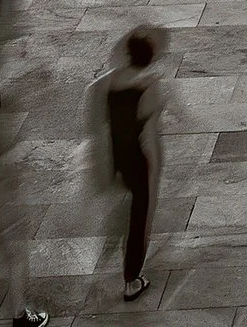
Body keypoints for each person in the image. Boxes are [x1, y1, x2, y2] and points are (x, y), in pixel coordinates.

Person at [88, 26, 168, 302]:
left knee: (127, 204)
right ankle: (132, 279)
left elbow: (95, 121)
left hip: (113, 155)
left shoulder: (105, 83)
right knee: (140, 213)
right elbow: (149, 130)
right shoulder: (149, 85)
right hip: (135, 157)